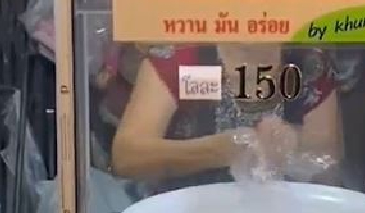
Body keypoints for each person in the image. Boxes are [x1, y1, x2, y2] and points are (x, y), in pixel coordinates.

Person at [110, 43, 343, 190]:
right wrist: (219, 150)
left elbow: (329, 162)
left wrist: (294, 146)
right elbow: (127, 158)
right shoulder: (183, 58)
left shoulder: (309, 64)